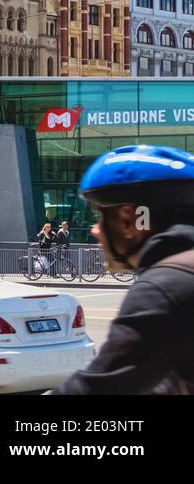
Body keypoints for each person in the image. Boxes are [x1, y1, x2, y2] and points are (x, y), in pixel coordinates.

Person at [57, 145, 194, 394]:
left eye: (99, 216)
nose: (95, 230)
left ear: (128, 220)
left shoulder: (164, 288)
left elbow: (97, 389)